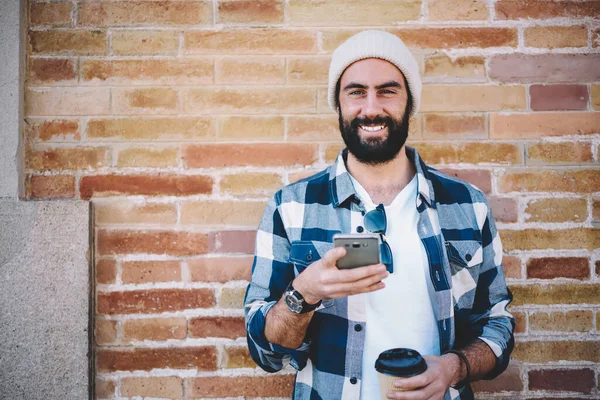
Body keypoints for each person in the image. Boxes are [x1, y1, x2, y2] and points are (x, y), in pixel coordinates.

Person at [244, 30, 514, 400]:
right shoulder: (290, 207)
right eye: (356, 92)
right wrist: (303, 293)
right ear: (338, 104)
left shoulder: (467, 205)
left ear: (409, 103)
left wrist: (454, 367)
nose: (371, 108)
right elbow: (266, 354)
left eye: (387, 91)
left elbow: (497, 324)